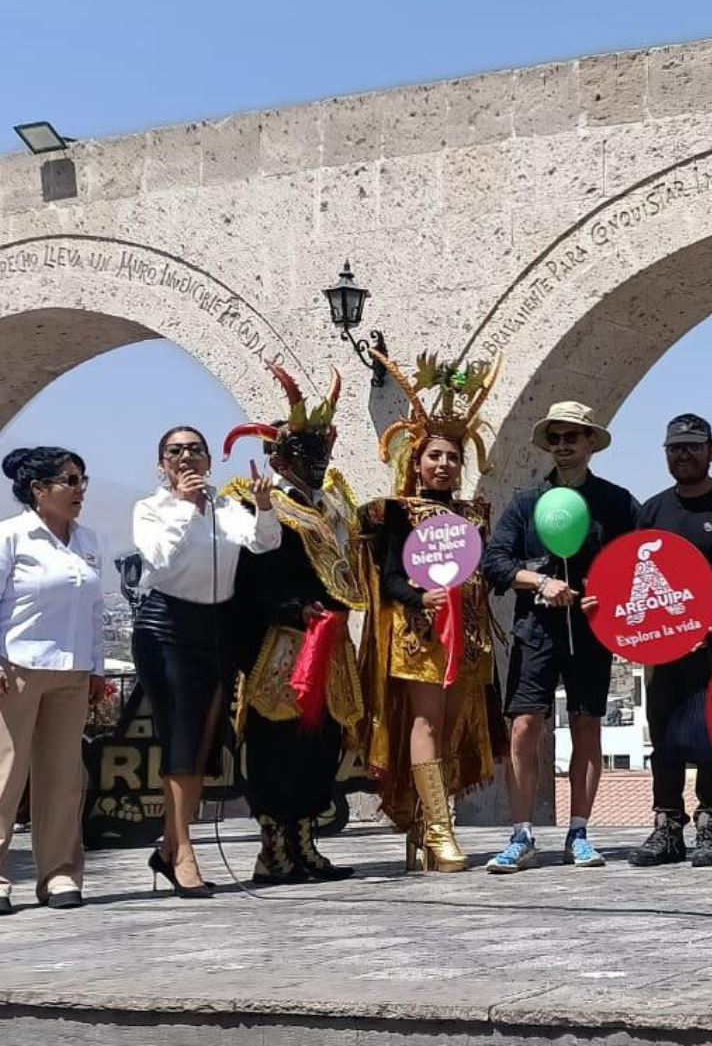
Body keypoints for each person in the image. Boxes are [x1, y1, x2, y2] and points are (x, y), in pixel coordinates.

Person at [354, 352, 504, 874]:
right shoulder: (398, 513)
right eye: (434, 456)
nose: (443, 465)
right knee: (427, 721)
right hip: (421, 634)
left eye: (452, 457)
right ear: (416, 462)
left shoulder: (473, 515)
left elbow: (484, 570)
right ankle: (440, 832)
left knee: (457, 726)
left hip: (469, 636)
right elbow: (391, 576)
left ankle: (430, 822)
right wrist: (421, 598)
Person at [223, 365, 365, 884]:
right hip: (282, 642)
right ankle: (272, 846)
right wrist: (292, 608)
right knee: (276, 741)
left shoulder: (330, 507)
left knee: (319, 741)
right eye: (307, 456)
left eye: (322, 454)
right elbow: (254, 573)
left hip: (329, 639)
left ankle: (305, 840)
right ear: (279, 458)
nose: (318, 464)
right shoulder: (259, 504)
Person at [483, 400, 637, 874]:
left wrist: (600, 597)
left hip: (591, 632)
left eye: (574, 436)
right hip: (536, 629)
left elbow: (634, 565)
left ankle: (579, 832)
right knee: (525, 726)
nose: (565, 444)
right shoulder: (526, 502)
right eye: (557, 437)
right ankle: (521, 833)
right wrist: (542, 583)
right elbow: (495, 562)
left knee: (588, 724)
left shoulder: (617, 502)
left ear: (591, 442)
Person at [132, 426, 279, 896]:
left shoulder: (224, 507)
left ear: (210, 459)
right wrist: (182, 504)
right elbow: (160, 556)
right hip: (166, 627)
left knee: (199, 745)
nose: (186, 458)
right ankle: (185, 854)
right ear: (162, 464)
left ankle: (168, 847)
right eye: (175, 451)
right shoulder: (150, 509)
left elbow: (263, 542)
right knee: (180, 740)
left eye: (195, 450)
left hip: (214, 629)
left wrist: (266, 505)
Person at [0, 447, 107, 911]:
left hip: (72, 671)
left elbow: (96, 611)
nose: (80, 488)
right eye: (70, 480)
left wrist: (98, 669)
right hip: (16, 669)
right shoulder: (11, 537)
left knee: (63, 777)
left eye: (83, 478)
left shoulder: (89, 542)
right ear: (39, 490)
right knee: (5, 773)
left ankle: (60, 873)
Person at [630, 414, 712, 868]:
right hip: (665, 648)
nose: (684, 455)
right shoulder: (651, 510)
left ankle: (711, 824)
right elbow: (630, 579)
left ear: (711, 451)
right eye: (675, 448)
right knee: (665, 736)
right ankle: (668, 825)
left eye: (693, 447)